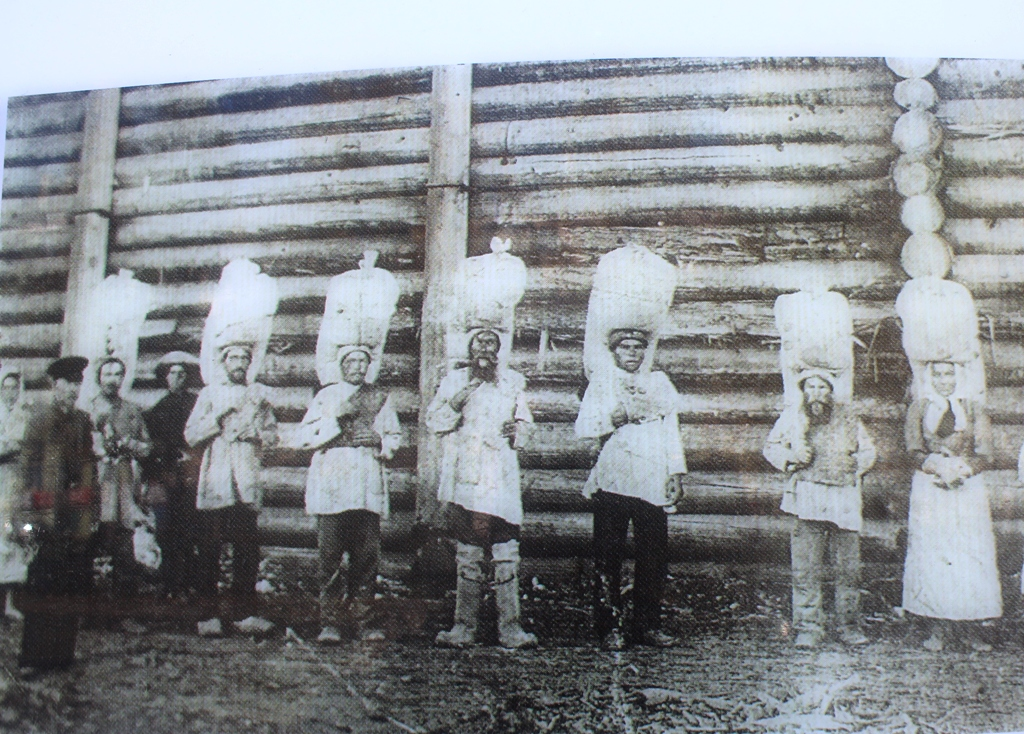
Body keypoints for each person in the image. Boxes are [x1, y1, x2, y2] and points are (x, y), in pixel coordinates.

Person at [575, 329, 686, 650]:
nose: (633, 354)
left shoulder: (659, 383)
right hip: (615, 477)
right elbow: (583, 427)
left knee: (653, 554)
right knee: (608, 553)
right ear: (614, 351)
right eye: (626, 347)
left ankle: (647, 624)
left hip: (652, 476)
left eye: (639, 348)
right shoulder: (603, 382)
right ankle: (610, 625)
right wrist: (613, 418)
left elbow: (671, 429)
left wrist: (676, 473)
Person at [427, 329, 537, 649]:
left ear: (500, 349)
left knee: (505, 551)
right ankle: (463, 628)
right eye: (479, 342)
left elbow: (526, 426)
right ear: (470, 347)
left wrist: (517, 429)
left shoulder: (512, 383)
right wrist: (458, 400)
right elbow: (435, 422)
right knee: (469, 552)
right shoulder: (453, 381)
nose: (485, 349)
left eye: (491, 343)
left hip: (499, 477)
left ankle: (510, 629)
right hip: (467, 476)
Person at [295, 347, 401, 644]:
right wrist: (335, 420)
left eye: (362, 361)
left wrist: (380, 441)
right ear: (341, 365)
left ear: (369, 365)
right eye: (351, 361)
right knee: (329, 556)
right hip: (332, 482)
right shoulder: (326, 397)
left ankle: (364, 620)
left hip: (365, 482)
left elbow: (394, 436)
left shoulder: (380, 398)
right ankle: (330, 622)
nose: (357, 366)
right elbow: (303, 438)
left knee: (366, 556)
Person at [763, 371, 876, 648]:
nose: (816, 393)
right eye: (810, 387)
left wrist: (855, 468)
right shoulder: (794, 416)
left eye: (822, 387)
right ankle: (808, 627)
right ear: (803, 390)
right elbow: (771, 447)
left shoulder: (849, 417)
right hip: (808, 499)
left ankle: (849, 626)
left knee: (848, 568)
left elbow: (868, 450)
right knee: (806, 567)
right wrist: (791, 457)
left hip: (844, 500)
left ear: (831, 391)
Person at [902, 361, 1001, 652]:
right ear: (929, 377)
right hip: (930, 489)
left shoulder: (973, 409)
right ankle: (938, 627)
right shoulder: (919, 408)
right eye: (938, 374)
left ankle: (971, 627)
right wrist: (936, 466)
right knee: (934, 553)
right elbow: (912, 449)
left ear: (961, 376)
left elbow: (986, 453)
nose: (944, 380)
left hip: (966, 489)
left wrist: (962, 469)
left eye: (950, 374)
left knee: (969, 554)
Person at [184, 344, 278, 638]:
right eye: (233, 358)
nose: (239, 363)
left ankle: (244, 614)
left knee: (246, 550)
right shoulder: (209, 394)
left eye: (244, 359)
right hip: (216, 481)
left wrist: (258, 435)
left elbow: (274, 436)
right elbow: (190, 435)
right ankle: (207, 616)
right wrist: (216, 420)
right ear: (223, 362)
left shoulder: (258, 396)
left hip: (246, 482)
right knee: (210, 550)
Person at [15, 356, 98, 676]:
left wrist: (90, 509)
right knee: (42, 583)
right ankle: (32, 657)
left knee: (72, 581)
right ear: (54, 385)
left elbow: (88, 467)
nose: (74, 389)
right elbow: (27, 470)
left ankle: (62, 654)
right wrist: (27, 515)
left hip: (74, 513)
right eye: (68, 383)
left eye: (78, 383)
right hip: (46, 511)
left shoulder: (82, 420)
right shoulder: (39, 418)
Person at [86, 357, 152, 599]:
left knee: (124, 546)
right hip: (95, 485)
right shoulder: (88, 410)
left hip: (123, 487)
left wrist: (130, 444)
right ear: (98, 378)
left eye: (117, 375)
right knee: (87, 546)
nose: (112, 380)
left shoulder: (131, 411)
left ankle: (124, 610)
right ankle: (87, 610)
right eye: (107, 374)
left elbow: (147, 447)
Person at [142, 352, 201, 599]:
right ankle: (168, 584)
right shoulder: (158, 409)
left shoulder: (196, 404)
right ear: (165, 378)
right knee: (166, 531)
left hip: (191, 477)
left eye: (182, 374)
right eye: (172, 374)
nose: (177, 378)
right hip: (167, 477)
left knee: (189, 531)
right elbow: (150, 447)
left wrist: (191, 456)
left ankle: (189, 583)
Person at [0, 367, 31, 620]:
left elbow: (25, 446)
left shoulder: (24, 415)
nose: (10, 392)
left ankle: (8, 603)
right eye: (5, 387)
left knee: (12, 536)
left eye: (14, 388)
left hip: (13, 480)